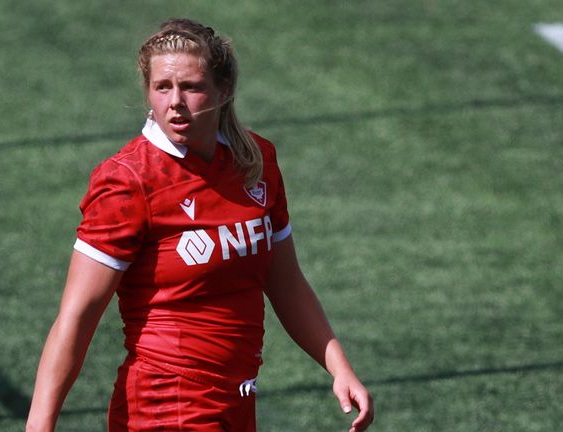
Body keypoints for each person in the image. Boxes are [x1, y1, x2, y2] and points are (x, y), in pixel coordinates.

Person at [26, 18, 373, 432]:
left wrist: (339, 366)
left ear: (223, 90)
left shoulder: (256, 162)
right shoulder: (129, 180)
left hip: (236, 402)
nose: (175, 101)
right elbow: (78, 315)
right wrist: (40, 424)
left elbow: (285, 281)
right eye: (162, 87)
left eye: (191, 87)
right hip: (165, 405)